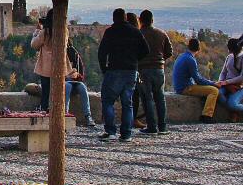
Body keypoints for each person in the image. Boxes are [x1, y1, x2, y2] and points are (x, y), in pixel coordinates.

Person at [97, 8, 149, 142]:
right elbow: (146, 50)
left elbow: (102, 53)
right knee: (128, 103)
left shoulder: (110, 32)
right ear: (125, 18)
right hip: (131, 70)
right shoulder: (135, 31)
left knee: (108, 101)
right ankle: (126, 134)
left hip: (114, 69)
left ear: (114, 18)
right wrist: (135, 60)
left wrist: (105, 69)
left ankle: (110, 131)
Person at [172, 38, 226, 123]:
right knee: (214, 91)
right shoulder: (190, 60)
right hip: (185, 88)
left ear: (188, 47)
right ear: (198, 49)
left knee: (208, 89)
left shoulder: (181, 56)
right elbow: (198, 80)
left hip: (178, 86)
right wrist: (214, 83)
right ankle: (207, 116)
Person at [137, 10, 173, 135]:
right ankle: (162, 127)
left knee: (147, 99)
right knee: (160, 98)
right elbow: (169, 51)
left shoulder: (138, 34)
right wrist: (161, 60)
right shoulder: (161, 34)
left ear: (140, 20)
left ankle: (151, 127)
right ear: (152, 20)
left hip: (143, 70)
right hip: (159, 69)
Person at [219, 38, 243, 120]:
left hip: (241, 86)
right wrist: (221, 82)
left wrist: (227, 82)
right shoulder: (229, 57)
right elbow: (223, 72)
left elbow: (242, 77)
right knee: (218, 93)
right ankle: (234, 112)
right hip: (227, 84)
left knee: (232, 104)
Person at [64, 42, 95, 127]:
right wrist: (66, 76)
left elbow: (82, 75)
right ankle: (65, 113)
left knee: (83, 87)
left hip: (76, 82)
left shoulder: (76, 56)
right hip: (64, 82)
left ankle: (88, 116)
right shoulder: (59, 57)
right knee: (67, 86)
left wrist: (77, 75)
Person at [30, 9, 55, 111]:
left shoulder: (45, 33)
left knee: (46, 91)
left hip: (46, 67)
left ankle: (44, 110)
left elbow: (34, 45)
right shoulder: (64, 31)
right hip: (60, 67)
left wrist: (37, 32)